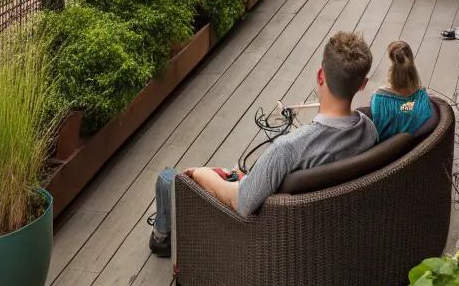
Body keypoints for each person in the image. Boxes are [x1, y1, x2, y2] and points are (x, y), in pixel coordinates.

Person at [147, 30, 377, 256]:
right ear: (362, 84)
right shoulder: (369, 130)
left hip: (268, 239)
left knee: (168, 180)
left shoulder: (288, 149)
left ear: (320, 76)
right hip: (325, 231)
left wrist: (200, 175)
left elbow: (242, 203)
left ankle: (163, 239)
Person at [370, 40, 432, 140]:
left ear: (391, 65)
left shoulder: (378, 98)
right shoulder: (425, 100)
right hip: (419, 152)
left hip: (388, 154)